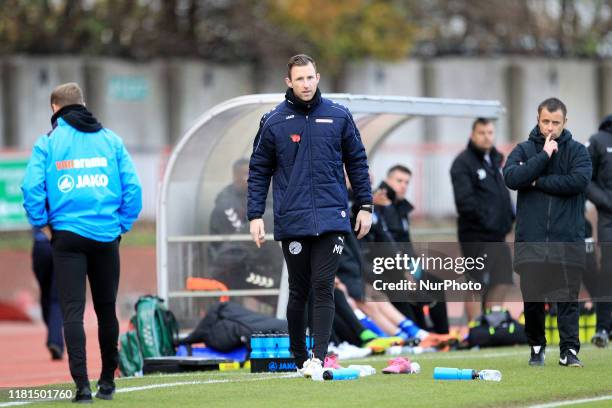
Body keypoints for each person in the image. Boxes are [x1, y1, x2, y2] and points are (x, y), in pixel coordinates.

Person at [247, 54, 372, 378]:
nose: (306, 84)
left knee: (323, 285)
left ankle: (318, 356)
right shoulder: (274, 121)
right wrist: (255, 214)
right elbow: (259, 170)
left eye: (310, 77)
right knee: (299, 290)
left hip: (333, 217)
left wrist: (366, 206)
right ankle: (299, 355)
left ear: (318, 78)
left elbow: (357, 162)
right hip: (293, 221)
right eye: (299, 79)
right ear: (288, 82)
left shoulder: (339, 116)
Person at [21, 82, 142, 401]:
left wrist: (43, 226)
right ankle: (107, 382)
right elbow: (133, 190)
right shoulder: (110, 140)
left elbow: (31, 189)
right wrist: (121, 226)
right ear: (84, 104)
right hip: (106, 236)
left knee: (72, 311)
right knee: (106, 310)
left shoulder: (47, 142)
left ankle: (82, 387)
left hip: (67, 237)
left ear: (54, 108)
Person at [503, 97, 591, 367]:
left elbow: (578, 181)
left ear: (565, 122)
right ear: (537, 119)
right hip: (532, 240)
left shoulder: (578, 151)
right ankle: (537, 346)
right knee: (533, 299)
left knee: (567, 297)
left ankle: (568, 351)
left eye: (555, 122)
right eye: (545, 121)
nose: (550, 127)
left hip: (567, 239)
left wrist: (537, 180)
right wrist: (543, 156)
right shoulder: (524, 149)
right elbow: (511, 178)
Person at [450, 118, 515, 320]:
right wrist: (489, 221)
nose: (487, 137)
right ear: (472, 135)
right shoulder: (462, 163)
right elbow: (465, 203)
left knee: (502, 280)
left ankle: (492, 324)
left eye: (490, 133)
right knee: (475, 283)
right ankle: (475, 328)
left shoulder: (495, 160)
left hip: (498, 235)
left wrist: (509, 217)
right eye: (482, 133)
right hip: (476, 235)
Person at [585, 114, 612, 347]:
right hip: (608, 220)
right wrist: (606, 202)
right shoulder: (598, 141)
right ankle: (603, 328)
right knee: (609, 271)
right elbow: (586, 179)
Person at [31, 227, 64, 361]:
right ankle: (55, 339)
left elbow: (31, 210)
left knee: (46, 295)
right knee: (56, 298)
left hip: (41, 246)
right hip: (61, 245)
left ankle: (55, 338)